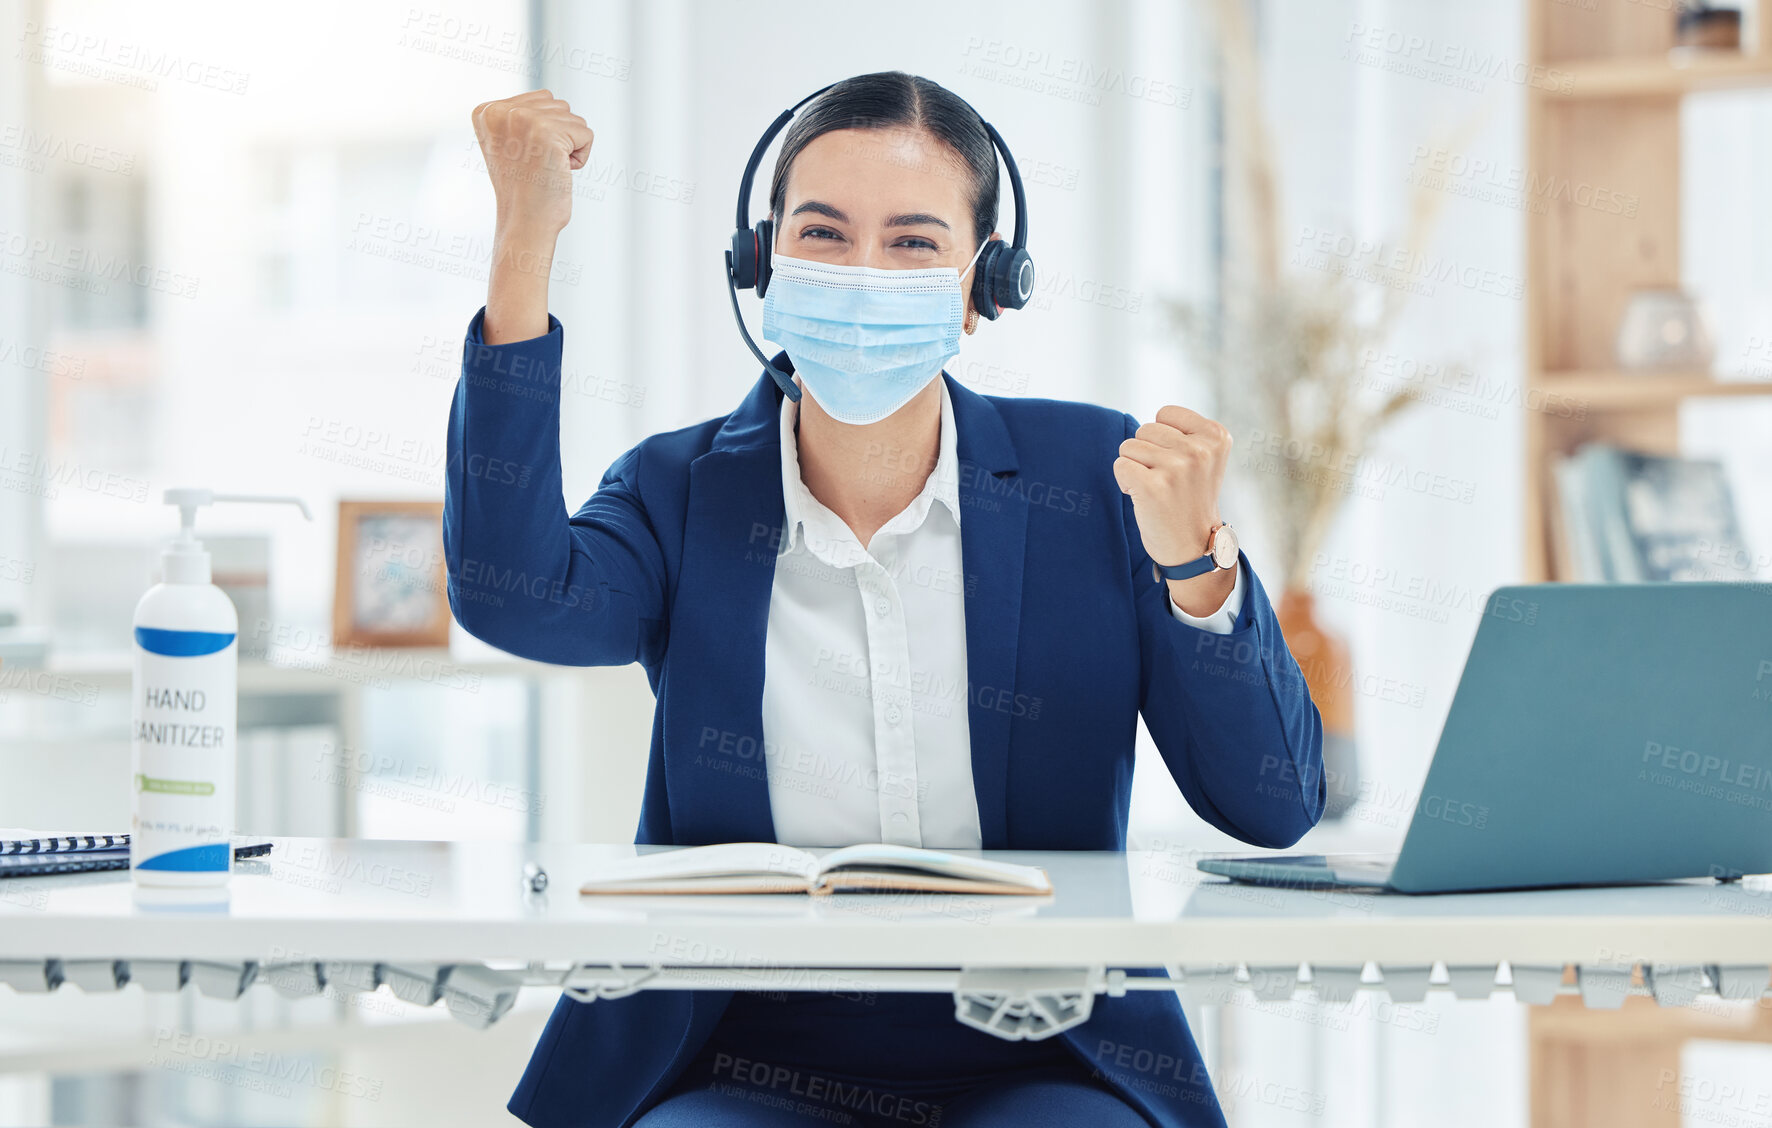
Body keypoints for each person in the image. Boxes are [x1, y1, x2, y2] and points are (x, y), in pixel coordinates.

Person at [446, 71, 1324, 1128]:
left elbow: (1269, 808)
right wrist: (523, 243)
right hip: (735, 1056)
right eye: (821, 234)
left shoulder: (1094, 473)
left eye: (912, 242)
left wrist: (1196, 567)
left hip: (1044, 1055)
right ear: (760, 266)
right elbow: (513, 599)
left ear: (984, 284)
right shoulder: (677, 490)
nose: (864, 272)